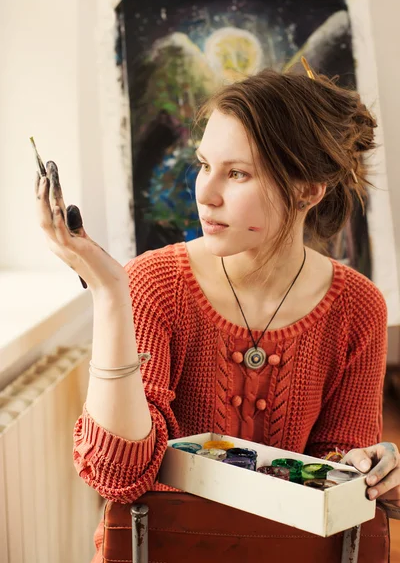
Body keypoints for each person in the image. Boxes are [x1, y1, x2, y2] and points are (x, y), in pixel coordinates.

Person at [35, 64, 400, 561]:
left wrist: (367, 469)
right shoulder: (154, 285)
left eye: (237, 173)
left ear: (309, 189)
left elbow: (335, 477)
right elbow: (117, 476)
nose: (205, 193)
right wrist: (109, 293)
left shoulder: (358, 307)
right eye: (204, 165)